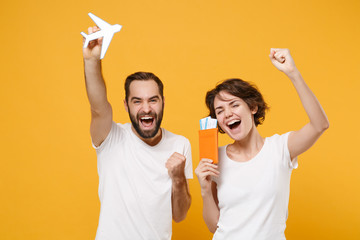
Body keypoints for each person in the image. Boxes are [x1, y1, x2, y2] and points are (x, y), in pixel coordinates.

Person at [195, 48, 329, 239]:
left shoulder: (281, 148)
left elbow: (320, 125)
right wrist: (205, 189)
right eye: (220, 111)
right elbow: (214, 225)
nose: (227, 114)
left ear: (252, 107)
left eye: (234, 105)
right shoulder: (215, 158)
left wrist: (293, 73)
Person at [83, 26, 193, 240]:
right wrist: (91, 61)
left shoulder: (180, 144)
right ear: (126, 105)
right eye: (137, 101)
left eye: (153, 100)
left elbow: (179, 216)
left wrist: (178, 178)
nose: (146, 108)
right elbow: (98, 107)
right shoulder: (110, 137)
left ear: (162, 103)